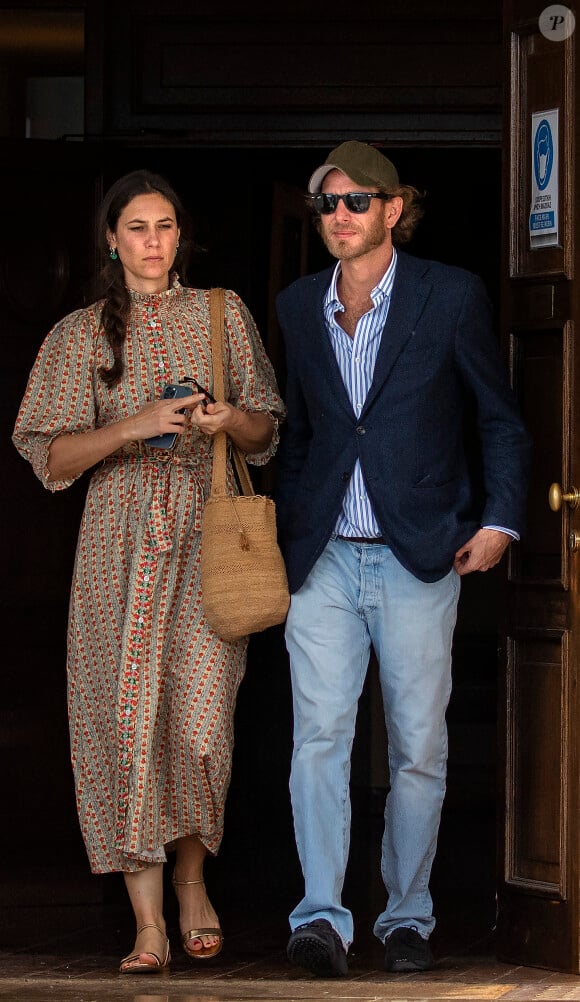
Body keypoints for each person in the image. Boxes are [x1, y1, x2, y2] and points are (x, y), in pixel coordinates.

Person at [12, 169, 284, 974]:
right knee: (122, 725)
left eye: (165, 226)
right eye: (137, 227)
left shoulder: (221, 313)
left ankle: (195, 883)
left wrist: (225, 417)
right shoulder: (77, 335)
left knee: (200, 730)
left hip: (208, 536)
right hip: (116, 548)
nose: (154, 242)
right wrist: (131, 425)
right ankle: (149, 922)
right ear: (111, 239)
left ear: (180, 237)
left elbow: (265, 430)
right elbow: (46, 454)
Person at [275, 141, 531, 977]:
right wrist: (292, 524)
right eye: (327, 205)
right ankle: (320, 917)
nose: (340, 217)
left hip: (420, 555)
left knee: (419, 746)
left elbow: (498, 417)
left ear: (394, 208)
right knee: (319, 738)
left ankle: (405, 917)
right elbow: (308, 433)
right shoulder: (298, 305)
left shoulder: (448, 296)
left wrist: (499, 519)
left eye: (357, 202)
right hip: (322, 561)